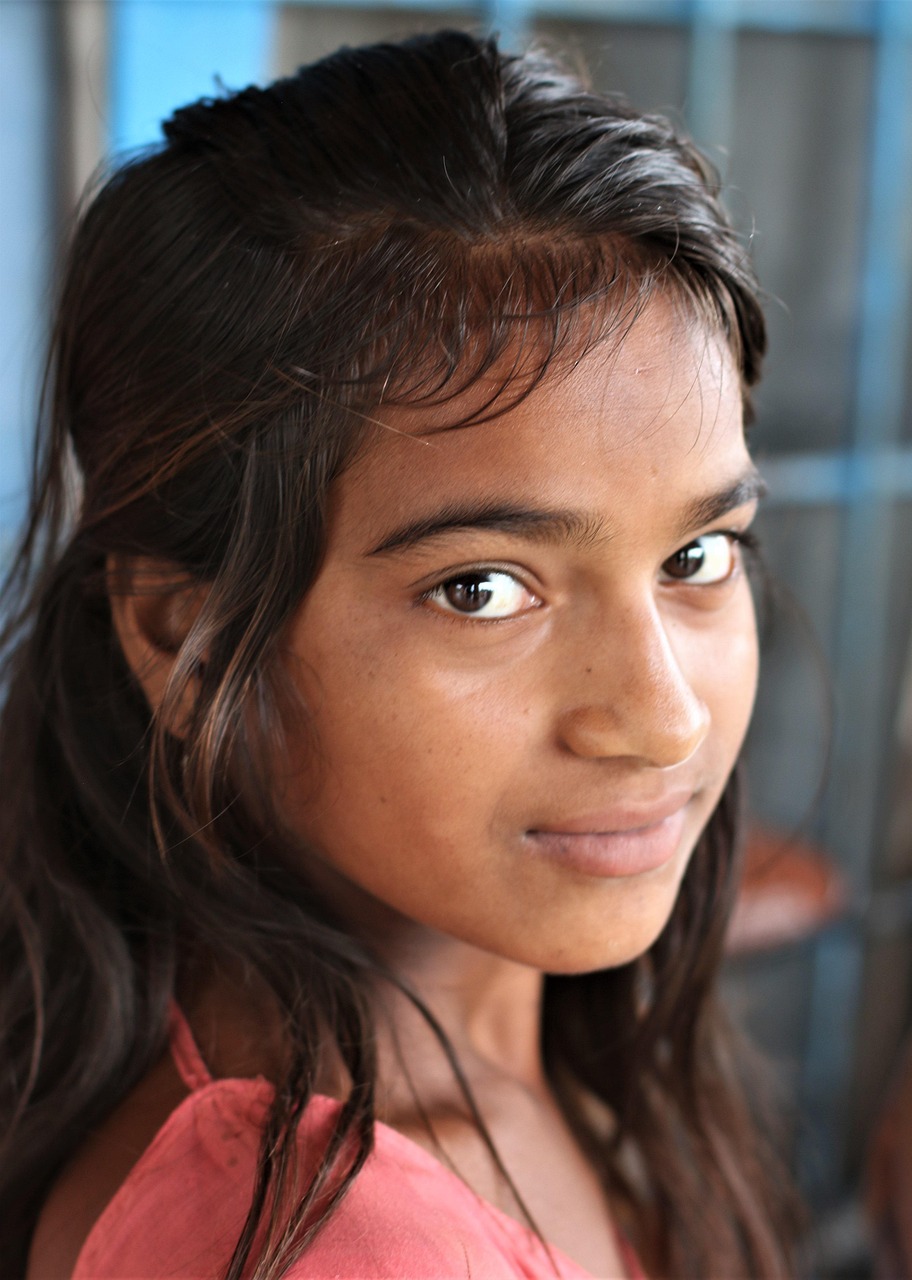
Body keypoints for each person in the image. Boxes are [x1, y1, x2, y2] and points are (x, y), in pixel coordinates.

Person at [0, 30, 801, 1280]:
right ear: (181, 632)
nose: (660, 718)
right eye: (483, 588)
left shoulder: (535, 1031)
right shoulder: (322, 1239)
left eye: (695, 558)